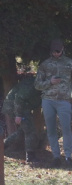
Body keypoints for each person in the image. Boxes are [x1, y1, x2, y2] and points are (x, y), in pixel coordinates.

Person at [34, 39, 72, 168]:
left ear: (62, 49)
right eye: (54, 52)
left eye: (58, 51)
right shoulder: (45, 65)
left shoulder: (69, 63)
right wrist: (50, 82)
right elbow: (37, 85)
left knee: (66, 129)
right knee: (51, 130)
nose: (56, 54)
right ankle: (56, 157)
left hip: (64, 101)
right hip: (48, 101)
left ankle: (68, 156)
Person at [2, 75, 44, 162]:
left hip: (22, 108)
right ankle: (30, 156)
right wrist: (18, 115)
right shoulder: (32, 86)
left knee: (22, 131)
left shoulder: (39, 85)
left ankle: (1, 146)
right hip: (16, 107)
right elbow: (19, 98)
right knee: (30, 131)